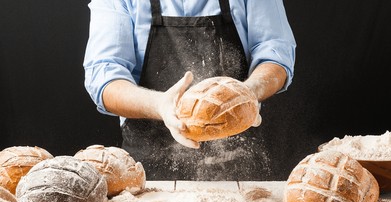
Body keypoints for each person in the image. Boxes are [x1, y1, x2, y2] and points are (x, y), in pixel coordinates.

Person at [83, 0, 296, 180]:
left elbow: (275, 52)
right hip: (149, 173)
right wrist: (159, 105)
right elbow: (104, 76)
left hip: (241, 164)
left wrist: (248, 91)